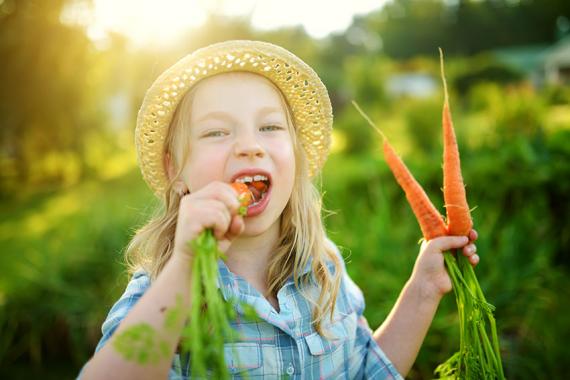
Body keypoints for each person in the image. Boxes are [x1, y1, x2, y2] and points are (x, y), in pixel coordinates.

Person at [78, 40, 479, 379]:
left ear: (295, 157)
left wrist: (424, 290)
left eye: (269, 127)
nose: (249, 145)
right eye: (217, 132)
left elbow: (362, 371)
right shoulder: (160, 293)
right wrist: (185, 265)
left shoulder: (324, 268)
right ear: (174, 169)